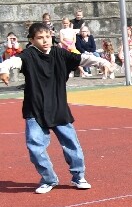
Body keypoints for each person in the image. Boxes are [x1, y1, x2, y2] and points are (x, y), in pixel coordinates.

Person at [0, 22, 114, 193]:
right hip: (35, 110)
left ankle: (78, 176)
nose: (45, 41)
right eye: (40, 38)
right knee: (35, 147)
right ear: (31, 40)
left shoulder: (60, 53)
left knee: (71, 145)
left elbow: (82, 58)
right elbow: (12, 62)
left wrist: (101, 62)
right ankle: (49, 179)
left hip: (59, 108)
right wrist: (4, 70)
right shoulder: (28, 55)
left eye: (47, 36)